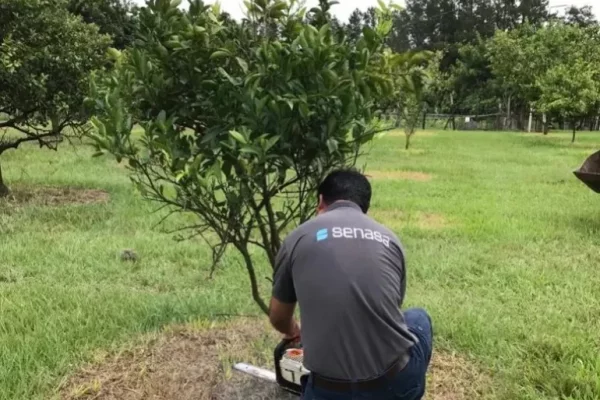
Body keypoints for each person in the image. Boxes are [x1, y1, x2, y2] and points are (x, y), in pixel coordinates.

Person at [269, 169, 433, 400]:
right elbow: (392, 308)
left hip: (328, 392)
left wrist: (293, 331)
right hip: (395, 384)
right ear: (364, 207)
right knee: (417, 318)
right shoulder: (390, 239)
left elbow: (278, 316)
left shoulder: (298, 237)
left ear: (320, 202)